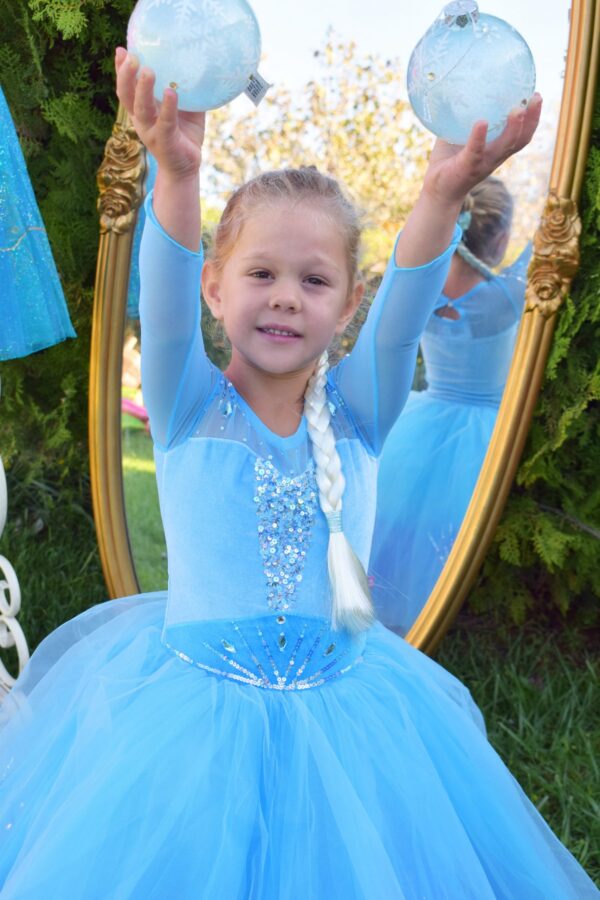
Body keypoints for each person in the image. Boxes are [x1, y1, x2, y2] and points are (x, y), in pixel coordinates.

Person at [0, 49, 597, 899]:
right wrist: (179, 173)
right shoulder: (185, 403)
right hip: (193, 724)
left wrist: (441, 195)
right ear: (215, 289)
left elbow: (405, 315)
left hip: (350, 712)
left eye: (315, 280)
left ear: (348, 306)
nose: (285, 296)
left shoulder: (361, 409)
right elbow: (161, 305)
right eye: (261, 274)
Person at [369, 177, 531, 635]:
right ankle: (446, 613)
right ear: (500, 239)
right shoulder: (505, 296)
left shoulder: (422, 285)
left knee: (402, 522)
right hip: (485, 427)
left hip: (422, 419)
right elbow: (542, 253)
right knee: (454, 528)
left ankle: (386, 604)